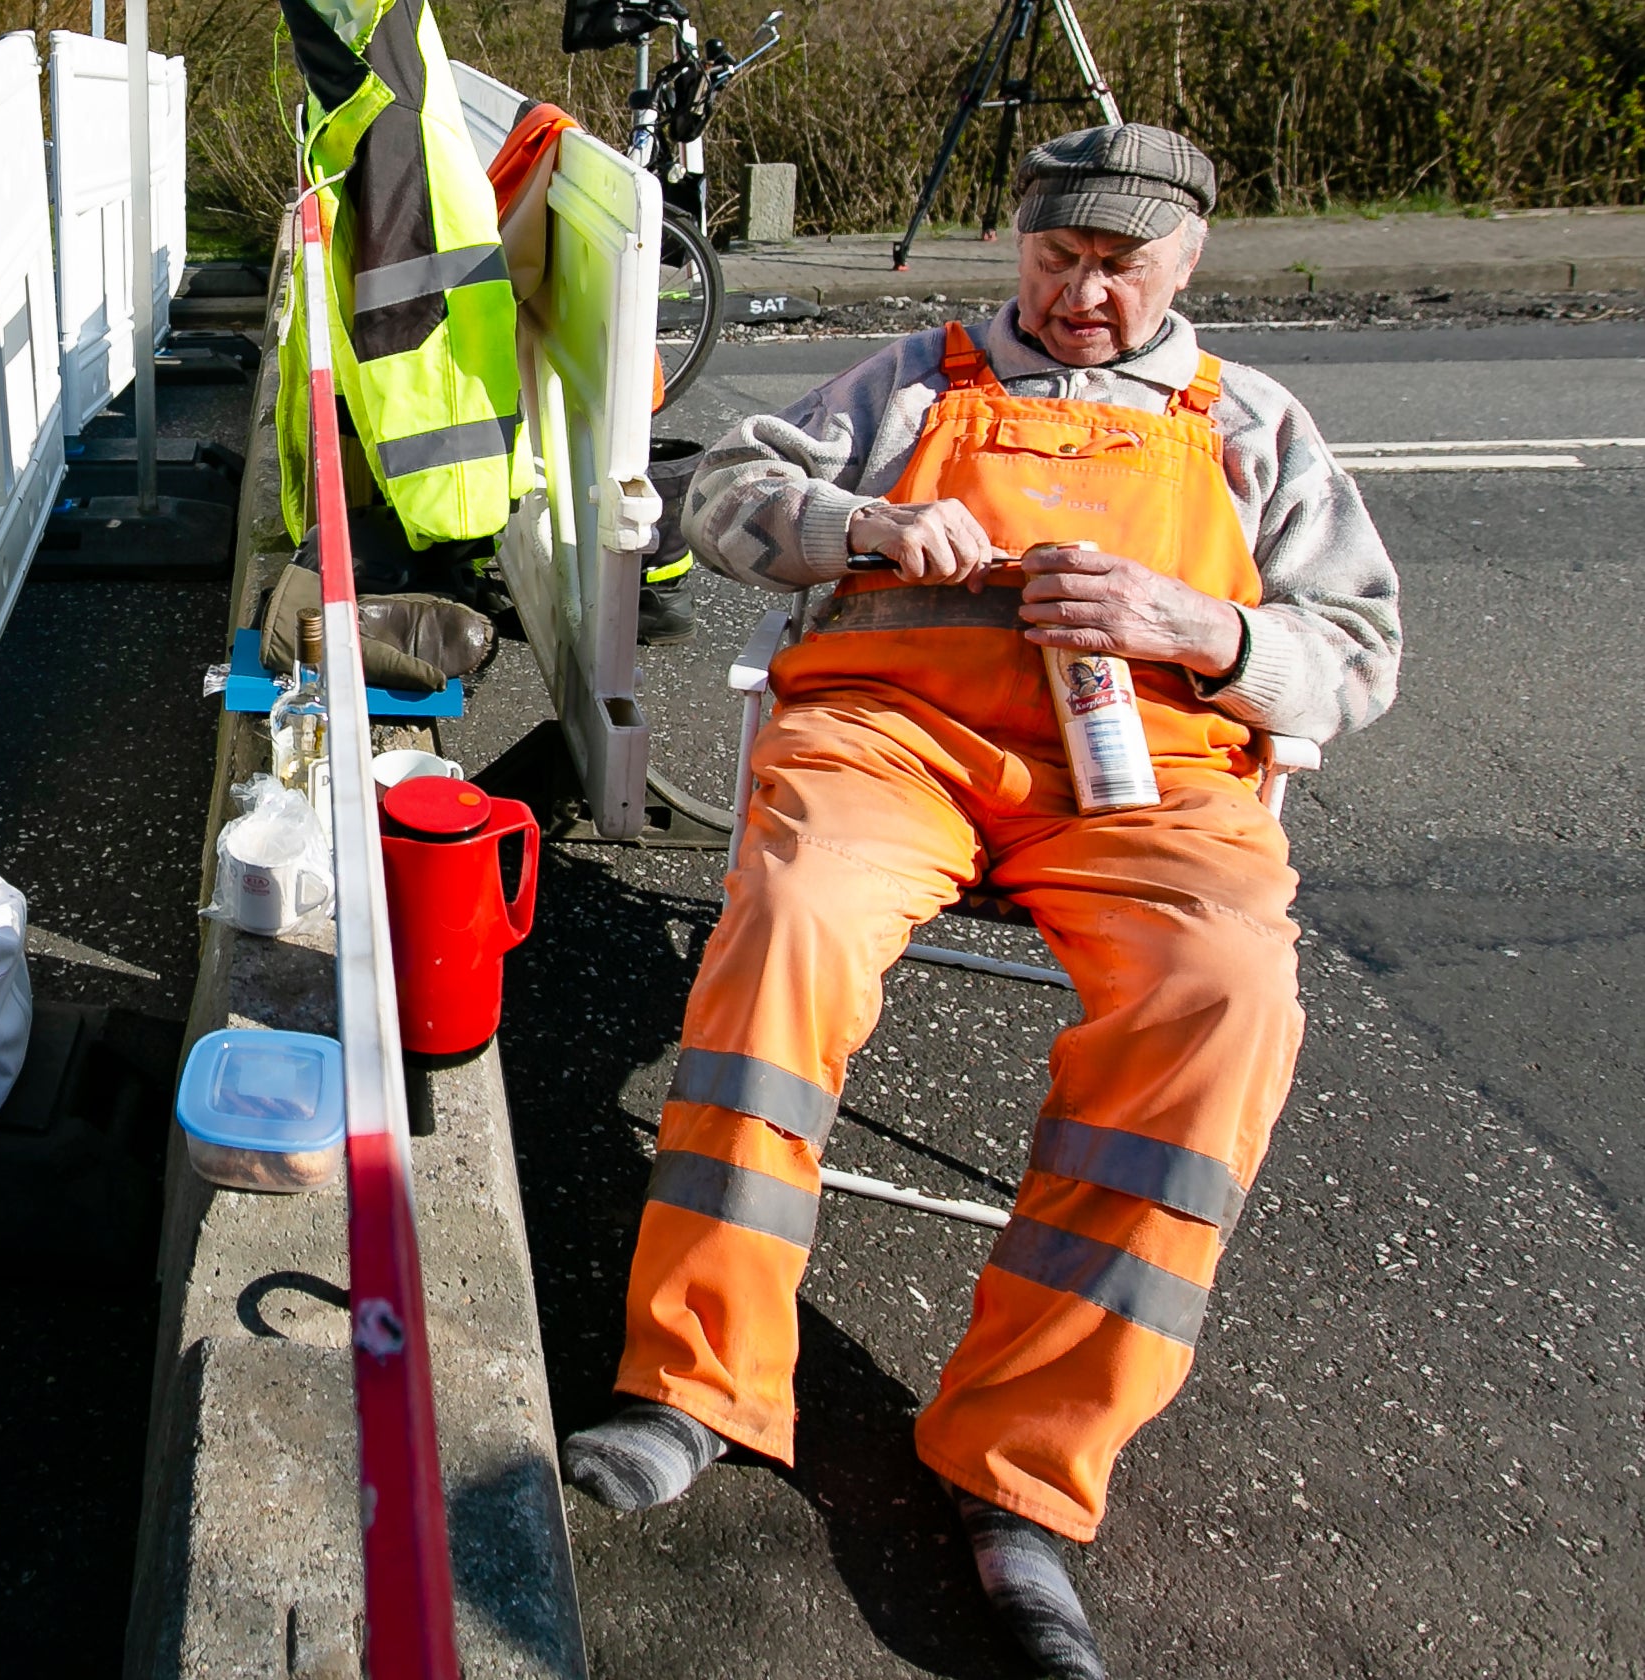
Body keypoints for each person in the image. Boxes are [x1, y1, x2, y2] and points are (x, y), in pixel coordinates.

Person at [558, 126, 1401, 1679]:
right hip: (894, 742)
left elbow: (1359, 653)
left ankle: (1023, 1473)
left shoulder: (1254, 425)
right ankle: (694, 1380)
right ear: (1023, 245)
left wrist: (1204, 630)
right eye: (1057, 258)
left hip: (1145, 776)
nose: (1082, 294)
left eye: (1118, 268)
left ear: (1187, 262)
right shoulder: (910, 380)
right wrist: (860, 528)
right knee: (792, 918)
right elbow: (723, 494)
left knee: (1227, 1000)